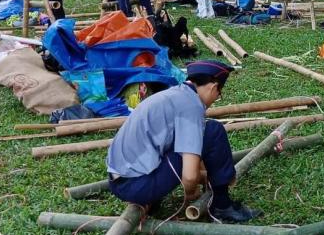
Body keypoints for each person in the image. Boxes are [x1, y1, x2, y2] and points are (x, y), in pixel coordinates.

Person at [106, 60, 262, 223]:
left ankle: (154, 196)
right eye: (219, 94)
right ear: (213, 87)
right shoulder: (191, 106)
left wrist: (203, 175)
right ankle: (222, 206)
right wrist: (191, 190)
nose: (216, 98)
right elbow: (189, 176)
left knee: (201, 135)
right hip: (136, 186)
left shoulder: (173, 94)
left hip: (119, 180)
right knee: (213, 131)